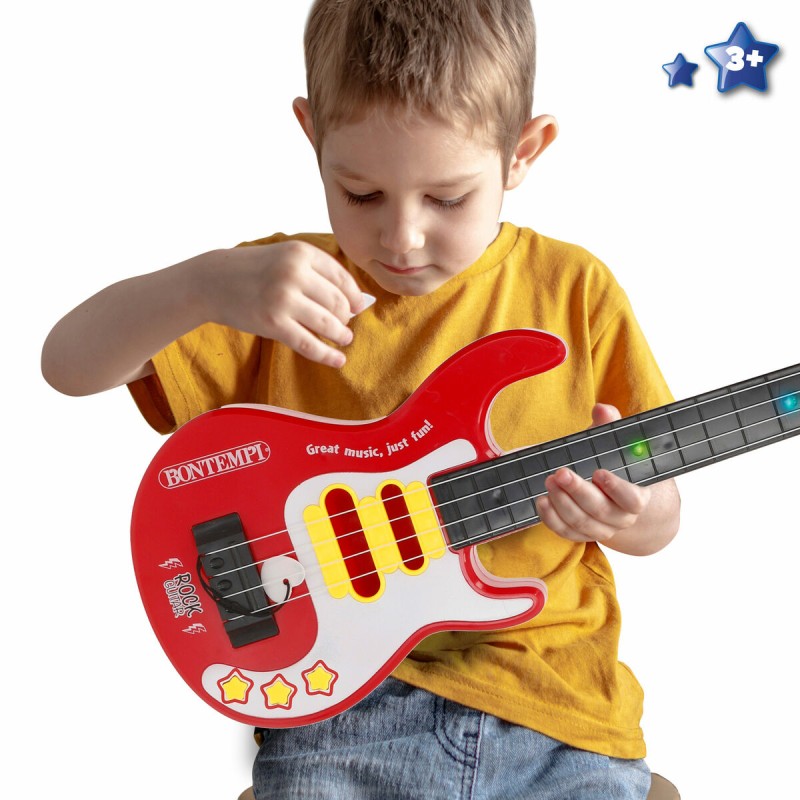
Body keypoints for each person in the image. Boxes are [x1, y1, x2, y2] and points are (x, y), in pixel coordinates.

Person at [41, 1, 680, 797]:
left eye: (447, 198)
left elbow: (660, 508)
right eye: (361, 193)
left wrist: (630, 515)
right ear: (312, 136)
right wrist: (207, 285)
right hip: (338, 709)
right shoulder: (278, 291)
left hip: (558, 707)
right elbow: (66, 365)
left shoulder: (575, 291)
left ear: (522, 151)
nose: (401, 237)